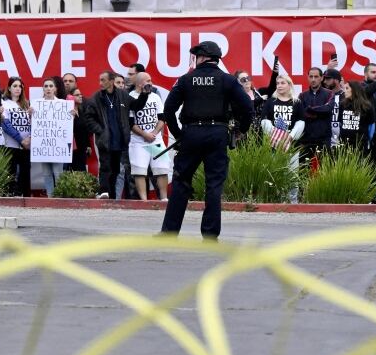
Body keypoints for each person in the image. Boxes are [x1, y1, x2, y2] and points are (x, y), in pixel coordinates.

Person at [160, 41, 253, 239]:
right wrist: (240, 131)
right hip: (217, 134)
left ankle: (169, 233)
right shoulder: (227, 80)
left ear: (202, 57)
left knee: (181, 182)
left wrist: (179, 134)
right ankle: (210, 235)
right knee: (214, 185)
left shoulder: (186, 79)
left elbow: (168, 110)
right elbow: (248, 108)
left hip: (191, 134)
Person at [84, 70, 138, 199]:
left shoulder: (122, 95)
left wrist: (145, 94)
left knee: (115, 169)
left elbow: (136, 105)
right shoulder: (96, 98)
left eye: (103, 80)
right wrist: (99, 130)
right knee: (105, 166)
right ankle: (104, 191)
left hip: (119, 139)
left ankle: (112, 194)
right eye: (100, 80)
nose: (100, 83)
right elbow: (89, 118)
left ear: (111, 81)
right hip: (105, 139)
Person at [128, 72, 170, 200]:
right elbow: (130, 122)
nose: (151, 83)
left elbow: (162, 118)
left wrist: (155, 133)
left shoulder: (155, 97)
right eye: (148, 80)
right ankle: (144, 200)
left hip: (155, 140)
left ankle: (164, 199)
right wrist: (144, 134)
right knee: (139, 171)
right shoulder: (130, 96)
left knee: (161, 169)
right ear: (140, 83)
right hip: (138, 142)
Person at [0, 76, 32, 196]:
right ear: (9, 88)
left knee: (25, 173)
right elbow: (6, 125)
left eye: (20, 86)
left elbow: (34, 124)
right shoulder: (4, 104)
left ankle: (27, 198)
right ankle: (10, 197)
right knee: (10, 172)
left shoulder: (27, 104)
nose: (18, 88)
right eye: (15, 86)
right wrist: (21, 140)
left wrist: (29, 139)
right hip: (10, 145)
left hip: (26, 146)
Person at [39, 77, 68, 196]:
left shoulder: (63, 104)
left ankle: (60, 196)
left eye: (51, 86)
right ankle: (50, 197)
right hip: (43, 144)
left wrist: (71, 114)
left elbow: (67, 123)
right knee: (46, 173)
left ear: (55, 89)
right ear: (43, 89)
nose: (48, 88)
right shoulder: (37, 104)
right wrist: (31, 115)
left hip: (58, 144)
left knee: (58, 172)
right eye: (46, 86)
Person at [260, 73, 305, 149]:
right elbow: (264, 120)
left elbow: (301, 122)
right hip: (273, 144)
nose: (279, 85)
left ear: (289, 85)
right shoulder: (270, 101)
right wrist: (278, 136)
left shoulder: (297, 102)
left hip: (292, 145)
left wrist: (290, 137)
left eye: (283, 83)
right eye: (278, 83)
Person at [338, 80, 375, 148]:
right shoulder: (342, 104)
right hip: (344, 143)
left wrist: (369, 139)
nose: (344, 91)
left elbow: (371, 125)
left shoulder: (367, 107)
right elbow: (340, 122)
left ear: (354, 90)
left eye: (347, 88)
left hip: (360, 144)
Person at [69, 88, 92, 172]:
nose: (80, 96)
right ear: (71, 98)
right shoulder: (67, 112)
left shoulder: (81, 111)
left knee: (82, 173)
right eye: (77, 95)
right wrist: (71, 118)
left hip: (82, 149)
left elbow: (85, 130)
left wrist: (88, 145)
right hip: (72, 150)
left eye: (81, 94)